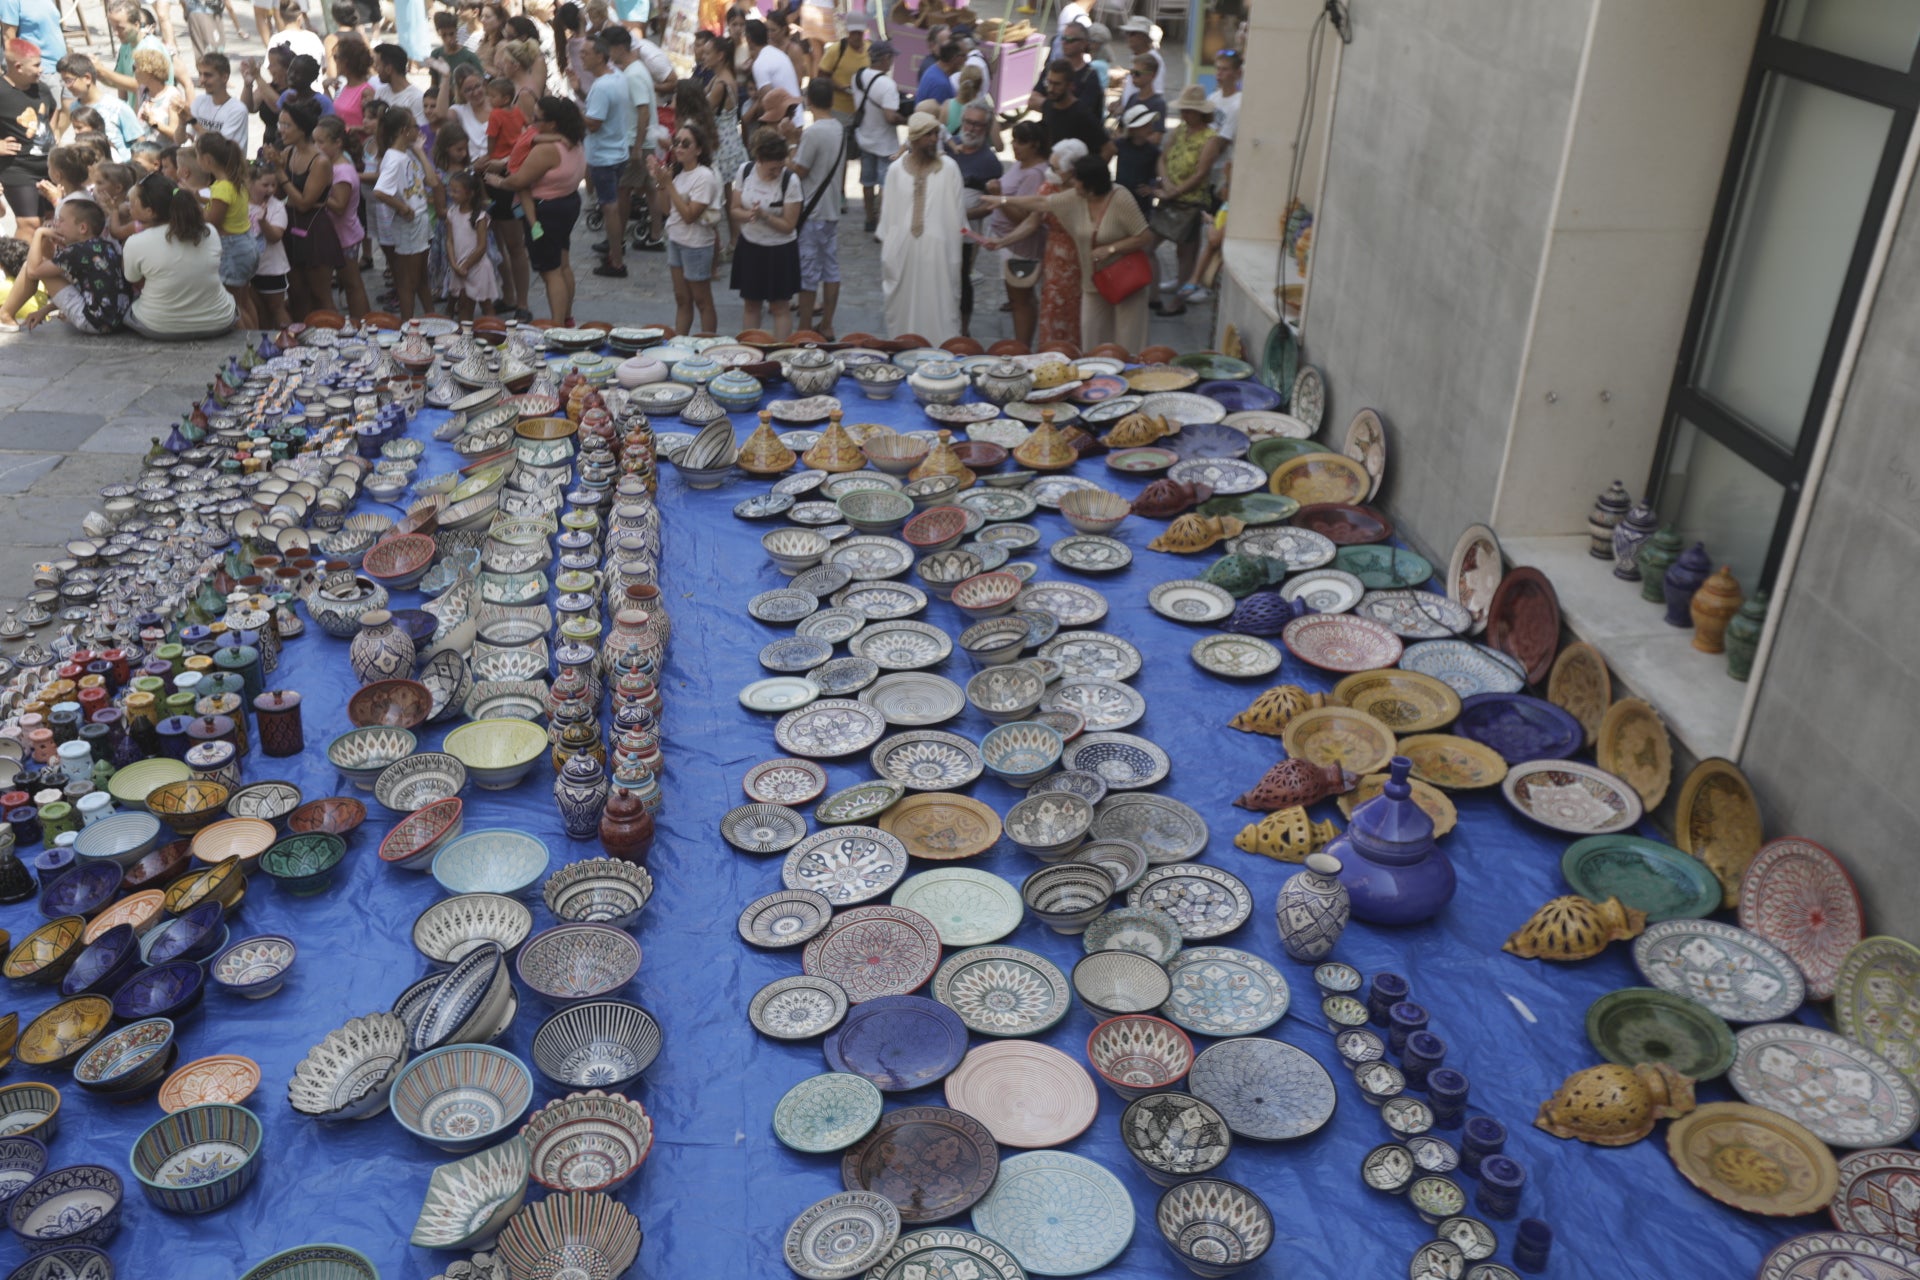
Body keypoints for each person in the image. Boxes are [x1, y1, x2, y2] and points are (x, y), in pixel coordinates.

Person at [987, 151, 1153, 351]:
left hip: (1125, 280)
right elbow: (1041, 202)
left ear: (1090, 183)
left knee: (1129, 341)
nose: (1073, 182)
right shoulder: (1076, 198)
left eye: (1077, 179)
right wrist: (1004, 200)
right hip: (1093, 281)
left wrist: (1111, 249)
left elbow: (1144, 237)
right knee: (1092, 339)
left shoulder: (1120, 197)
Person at [486, 93, 585, 323]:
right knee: (563, 265)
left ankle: (557, 326)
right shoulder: (573, 140)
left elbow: (519, 180)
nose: (532, 122)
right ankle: (567, 319)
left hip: (546, 210)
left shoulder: (546, 149)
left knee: (551, 272)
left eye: (537, 118)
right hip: (567, 203)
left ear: (552, 124)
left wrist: (499, 182)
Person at [122, 170, 236, 337]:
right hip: (218, 321)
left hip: (158, 326)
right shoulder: (209, 231)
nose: (129, 209)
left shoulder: (135, 242)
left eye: (133, 204)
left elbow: (132, 278)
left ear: (150, 211)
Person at [878, 113, 961, 341]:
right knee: (904, 307)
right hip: (904, 252)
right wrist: (891, 251)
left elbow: (957, 217)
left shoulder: (949, 168)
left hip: (939, 254)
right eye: (928, 135)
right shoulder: (896, 170)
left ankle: (940, 352)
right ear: (913, 139)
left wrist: (953, 250)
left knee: (939, 306)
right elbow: (888, 217)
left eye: (936, 133)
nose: (934, 139)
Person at [0, 197, 129, 331]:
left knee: (29, 265)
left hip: (93, 322)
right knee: (43, 267)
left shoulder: (77, 251)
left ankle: (5, 315)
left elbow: (33, 271)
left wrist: (39, 233)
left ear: (82, 228)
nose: (56, 224)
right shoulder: (105, 246)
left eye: (61, 220)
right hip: (115, 321)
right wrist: (46, 309)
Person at [1148, 86, 1221, 317]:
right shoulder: (1180, 130)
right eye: (1183, 110)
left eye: (1189, 111)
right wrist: (1165, 182)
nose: (1184, 114)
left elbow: (1201, 173)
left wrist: (1174, 191)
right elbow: (1162, 158)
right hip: (1169, 197)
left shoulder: (1210, 138)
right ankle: (1157, 294)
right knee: (1149, 245)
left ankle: (1179, 301)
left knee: (1186, 254)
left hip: (1191, 203)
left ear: (1201, 113)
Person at [978, 118, 1047, 349]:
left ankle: (1022, 347)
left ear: (1035, 145)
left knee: (1021, 300)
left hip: (1020, 246)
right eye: (1014, 140)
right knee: (1018, 298)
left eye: (1020, 142)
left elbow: (1024, 217)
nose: (1014, 146)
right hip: (1009, 243)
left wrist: (1000, 197)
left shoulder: (1035, 174)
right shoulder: (1021, 164)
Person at [271, 99, 344, 319]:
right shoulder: (288, 152)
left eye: (287, 125)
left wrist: (280, 173)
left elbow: (304, 203)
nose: (281, 130)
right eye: (280, 124)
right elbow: (280, 195)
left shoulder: (320, 161)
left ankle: (335, 333)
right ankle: (302, 334)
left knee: (321, 295)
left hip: (314, 229)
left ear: (302, 129)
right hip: (291, 225)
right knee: (296, 293)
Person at [728, 126, 798, 339]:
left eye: (780, 167)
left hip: (780, 249)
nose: (777, 173)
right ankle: (751, 349)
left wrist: (765, 216)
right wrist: (748, 215)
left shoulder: (790, 181)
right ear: (759, 159)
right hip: (751, 245)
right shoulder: (745, 171)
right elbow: (734, 209)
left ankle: (781, 351)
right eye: (772, 169)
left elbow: (789, 225)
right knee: (751, 304)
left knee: (779, 306)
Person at [786, 74, 840, 338]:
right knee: (830, 270)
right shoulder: (838, 128)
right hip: (830, 209)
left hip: (812, 211)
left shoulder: (814, 132)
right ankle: (827, 324)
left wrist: (790, 142)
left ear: (809, 101)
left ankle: (804, 328)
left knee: (808, 272)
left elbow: (799, 170)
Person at [650, 123, 717, 334]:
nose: (679, 147)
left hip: (696, 245)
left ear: (698, 149)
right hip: (676, 240)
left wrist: (668, 184)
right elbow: (666, 210)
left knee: (702, 300)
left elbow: (689, 216)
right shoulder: (677, 173)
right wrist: (661, 184)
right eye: (676, 142)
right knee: (682, 299)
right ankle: (679, 343)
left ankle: (708, 343)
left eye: (685, 143)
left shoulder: (704, 176)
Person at [371, 106, 437, 318]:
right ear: (403, 131)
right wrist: (402, 207)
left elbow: (432, 181)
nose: (419, 130)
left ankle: (431, 317)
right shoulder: (393, 158)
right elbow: (380, 191)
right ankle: (408, 325)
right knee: (409, 281)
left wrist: (419, 151)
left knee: (421, 277)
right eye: (414, 126)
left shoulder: (407, 153)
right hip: (410, 223)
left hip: (420, 219)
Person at [578, 33, 632, 277]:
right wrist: (579, 91)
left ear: (600, 56)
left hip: (603, 157)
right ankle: (614, 251)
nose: (581, 56)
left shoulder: (601, 86)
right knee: (614, 206)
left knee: (609, 208)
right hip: (617, 152)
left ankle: (616, 262)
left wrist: (573, 110)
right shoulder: (617, 76)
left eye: (586, 53)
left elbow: (593, 123)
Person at [944, 99, 999, 336]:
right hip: (938, 229)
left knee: (961, 277)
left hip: (965, 233)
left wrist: (961, 215)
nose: (971, 128)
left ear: (986, 128)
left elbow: (991, 206)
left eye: (977, 125)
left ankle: (963, 331)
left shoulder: (990, 162)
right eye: (967, 122)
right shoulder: (948, 147)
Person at [603, 26, 657, 258]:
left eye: (608, 48)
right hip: (643, 141)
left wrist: (636, 147)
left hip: (637, 142)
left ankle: (617, 240)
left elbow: (643, 111)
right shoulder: (636, 69)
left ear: (618, 48)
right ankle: (656, 235)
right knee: (650, 189)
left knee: (622, 191)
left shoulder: (633, 74)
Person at [479, 72, 529, 319]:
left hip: (497, 177)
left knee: (511, 244)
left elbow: (491, 142)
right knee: (508, 243)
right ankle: (512, 298)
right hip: (512, 171)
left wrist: (490, 159)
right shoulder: (518, 113)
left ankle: (520, 302)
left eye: (493, 96)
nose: (489, 100)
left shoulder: (496, 115)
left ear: (505, 97)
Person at [196, 129, 257, 327]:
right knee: (245, 300)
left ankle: (244, 342)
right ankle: (257, 337)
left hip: (231, 250)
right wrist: (198, 197)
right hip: (245, 243)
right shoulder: (234, 182)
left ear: (207, 160)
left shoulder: (222, 188)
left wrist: (195, 211)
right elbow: (220, 203)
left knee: (234, 304)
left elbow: (212, 221)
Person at [313, 114, 368, 314]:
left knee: (352, 284)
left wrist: (315, 194)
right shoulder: (333, 165)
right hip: (340, 234)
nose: (316, 147)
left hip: (344, 236)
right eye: (314, 141)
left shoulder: (341, 171)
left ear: (337, 143)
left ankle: (362, 322)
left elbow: (339, 206)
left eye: (321, 142)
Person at [0, 38, 55, 235]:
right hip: (18, 168)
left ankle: (43, 257)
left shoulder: (41, 89)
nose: (41, 69)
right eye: (36, 65)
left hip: (49, 167)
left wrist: (53, 135)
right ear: (18, 67)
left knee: (51, 221)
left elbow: (52, 111)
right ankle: (18, 257)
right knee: (30, 223)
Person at [57, 54, 146, 162]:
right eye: (63, 82)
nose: (67, 86)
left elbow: (141, 144)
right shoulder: (74, 108)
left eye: (69, 80)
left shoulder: (118, 107)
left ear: (87, 78)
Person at [850, 37, 898, 234]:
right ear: (885, 58)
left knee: (867, 182)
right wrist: (906, 119)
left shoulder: (857, 77)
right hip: (885, 142)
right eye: (891, 57)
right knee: (885, 184)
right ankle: (882, 224)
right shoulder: (887, 85)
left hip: (865, 137)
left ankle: (870, 218)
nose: (892, 62)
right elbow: (890, 117)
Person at [443, 166, 496, 318]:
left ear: (470, 194)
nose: (451, 194)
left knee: (486, 305)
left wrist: (465, 265)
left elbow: (481, 247)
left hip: (477, 267)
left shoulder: (480, 217)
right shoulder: (452, 213)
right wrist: (454, 264)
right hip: (459, 266)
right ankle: (464, 331)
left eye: (456, 191)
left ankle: (492, 329)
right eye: (450, 190)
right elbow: (449, 240)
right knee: (464, 306)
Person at [247, 156, 291, 326]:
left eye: (274, 185)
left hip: (272, 269)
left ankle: (288, 338)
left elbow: (275, 236)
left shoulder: (277, 206)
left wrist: (263, 222)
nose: (271, 189)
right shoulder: (242, 204)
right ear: (250, 183)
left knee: (276, 308)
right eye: (265, 185)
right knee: (258, 310)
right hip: (249, 269)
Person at [0, 0, 64, 112]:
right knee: (47, 115)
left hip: (61, 66)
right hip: (41, 70)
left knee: (67, 112)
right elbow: (9, 38)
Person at [1037, 56, 1104, 158]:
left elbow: (1109, 148)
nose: (1051, 89)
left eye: (1057, 84)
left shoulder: (1081, 114)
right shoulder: (1048, 106)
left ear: (1070, 85)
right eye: (1049, 82)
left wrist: (1092, 167)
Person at [1027, 22, 1098, 117]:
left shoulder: (1089, 76)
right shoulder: (1052, 68)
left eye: (1070, 39)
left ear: (1083, 43)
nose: (1064, 43)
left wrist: (1047, 106)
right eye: (1063, 38)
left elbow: (1081, 113)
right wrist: (1061, 108)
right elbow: (1032, 101)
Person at [817, 10, 865, 127]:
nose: (857, 36)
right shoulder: (836, 50)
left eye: (859, 33)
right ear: (848, 31)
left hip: (863, 110)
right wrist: (840, 87)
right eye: (853, 32)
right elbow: (821, 77)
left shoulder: (870, 49)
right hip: (840, 110)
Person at [187, 50, 245, 145]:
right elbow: (181, 139)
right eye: (200, 74)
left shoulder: (237, 110)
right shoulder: (199, 101)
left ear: (224, 77)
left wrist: (192, 121)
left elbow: (222, 146)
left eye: (208, 75)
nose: (202, 80)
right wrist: (182, 122)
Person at [427, 9, 483, 97]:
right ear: (438, 33)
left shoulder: (469, 57)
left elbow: (481, 83)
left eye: (451, 34)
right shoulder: (435, 54)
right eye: (444, 35)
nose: (449, 39)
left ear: (456, 31)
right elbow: (434, 84)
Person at [743, 17, 796, 106]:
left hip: (786, 113)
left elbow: (768, 102)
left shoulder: (760, 63)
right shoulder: (777, 53)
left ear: (748, 39)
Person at [1207, 48, 1240, 189]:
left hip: (1221, 169)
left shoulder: (1238, 104)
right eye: (1218, 68)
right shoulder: (1213, 97)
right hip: (1207, 166)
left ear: (1237, 73)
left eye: (1225, 69)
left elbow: (1222, 142)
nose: (1219, 73)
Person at [330, 34, 374, 136]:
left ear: (346, 63)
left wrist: (350, 129)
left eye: (336, 57)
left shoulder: (366, 91)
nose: (335, 62)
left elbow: (374, 126)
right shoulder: (344, 87)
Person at [373, 42, 425, 125]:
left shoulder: (416, 98)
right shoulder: (380, 92)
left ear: (388, 69)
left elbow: (419, 129)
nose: (375, 69)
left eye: (377, 65)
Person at [266, 1, 324, 70]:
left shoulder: (275, 39)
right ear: (300, 18)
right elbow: (324, 66)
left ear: (280, 17)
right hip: (313, 75)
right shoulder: (313, 37)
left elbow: (269, 66)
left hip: (286, 76)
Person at [1116, 16, 1160, 103]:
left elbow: (1155, 93)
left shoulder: (1154, 60)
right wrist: (1119, 102)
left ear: (1144, 36)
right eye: (1127, 33)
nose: (1128, 37)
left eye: (1132, 34)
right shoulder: (1136, 56)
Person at [915, 39, 961, 109]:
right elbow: (939, 114)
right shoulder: (941, 85)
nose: (966, 59)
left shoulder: (933, 69)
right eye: (963, 56)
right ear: (954, 59)